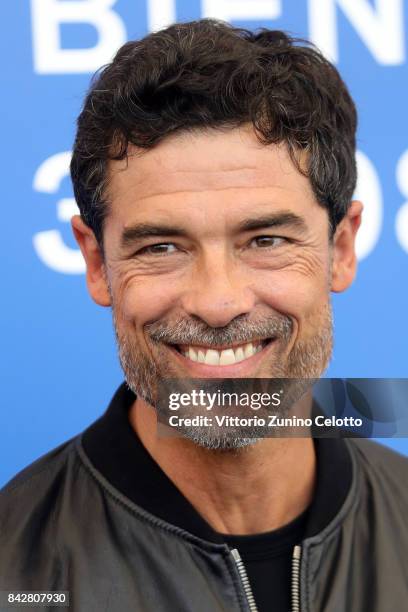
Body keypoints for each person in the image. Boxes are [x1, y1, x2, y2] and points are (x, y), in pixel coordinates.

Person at [1, 18, 407, 612]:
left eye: (265, 240)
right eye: (161, 248)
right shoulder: (14, 566)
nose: (218, 303)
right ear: (96, 263)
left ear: (341, 249)